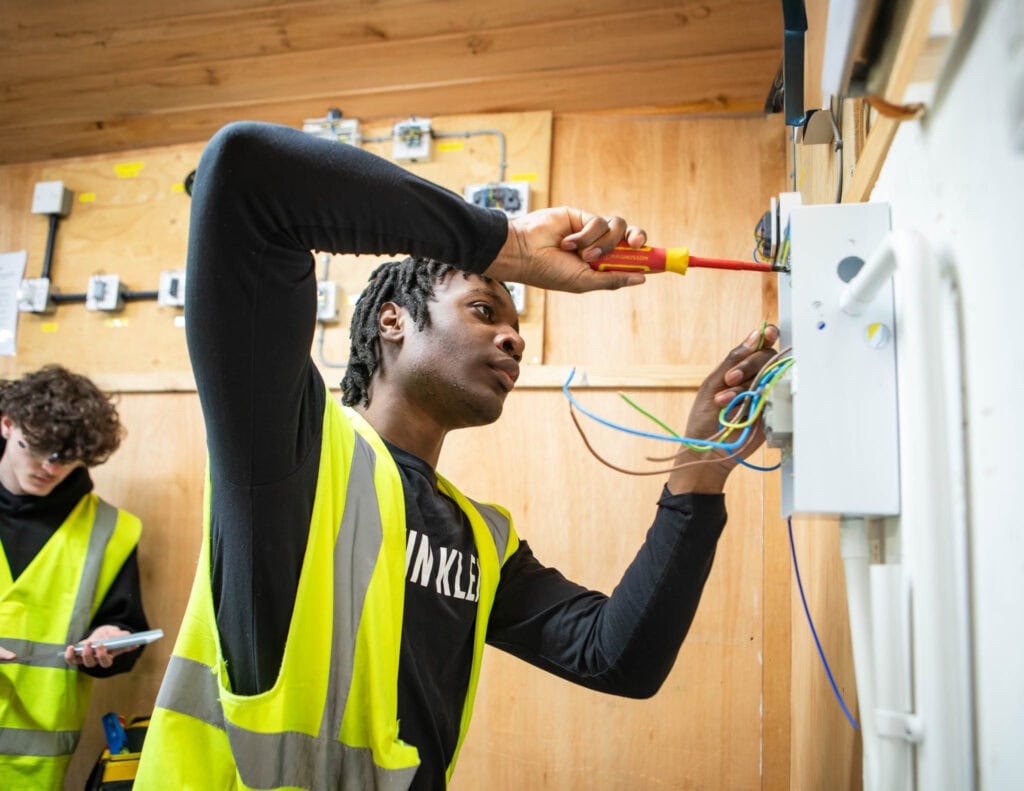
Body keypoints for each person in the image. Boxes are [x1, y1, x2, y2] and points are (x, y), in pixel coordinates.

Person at [135, 122, 778, 790]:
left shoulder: (481, 538)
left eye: (516, 329)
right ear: (393, 321)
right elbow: (248, 174)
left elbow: (620, 659)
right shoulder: (292, 445)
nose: (513, 341)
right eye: (484, 308)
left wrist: (698, 471)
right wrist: (511, 245)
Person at [0, 364, 150, 789]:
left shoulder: (110, 530)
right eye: (36, 448)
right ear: (7, 424)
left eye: (65, 458)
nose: (48, 467)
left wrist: (109, 639)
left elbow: (127, 627)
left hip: (33, 766)